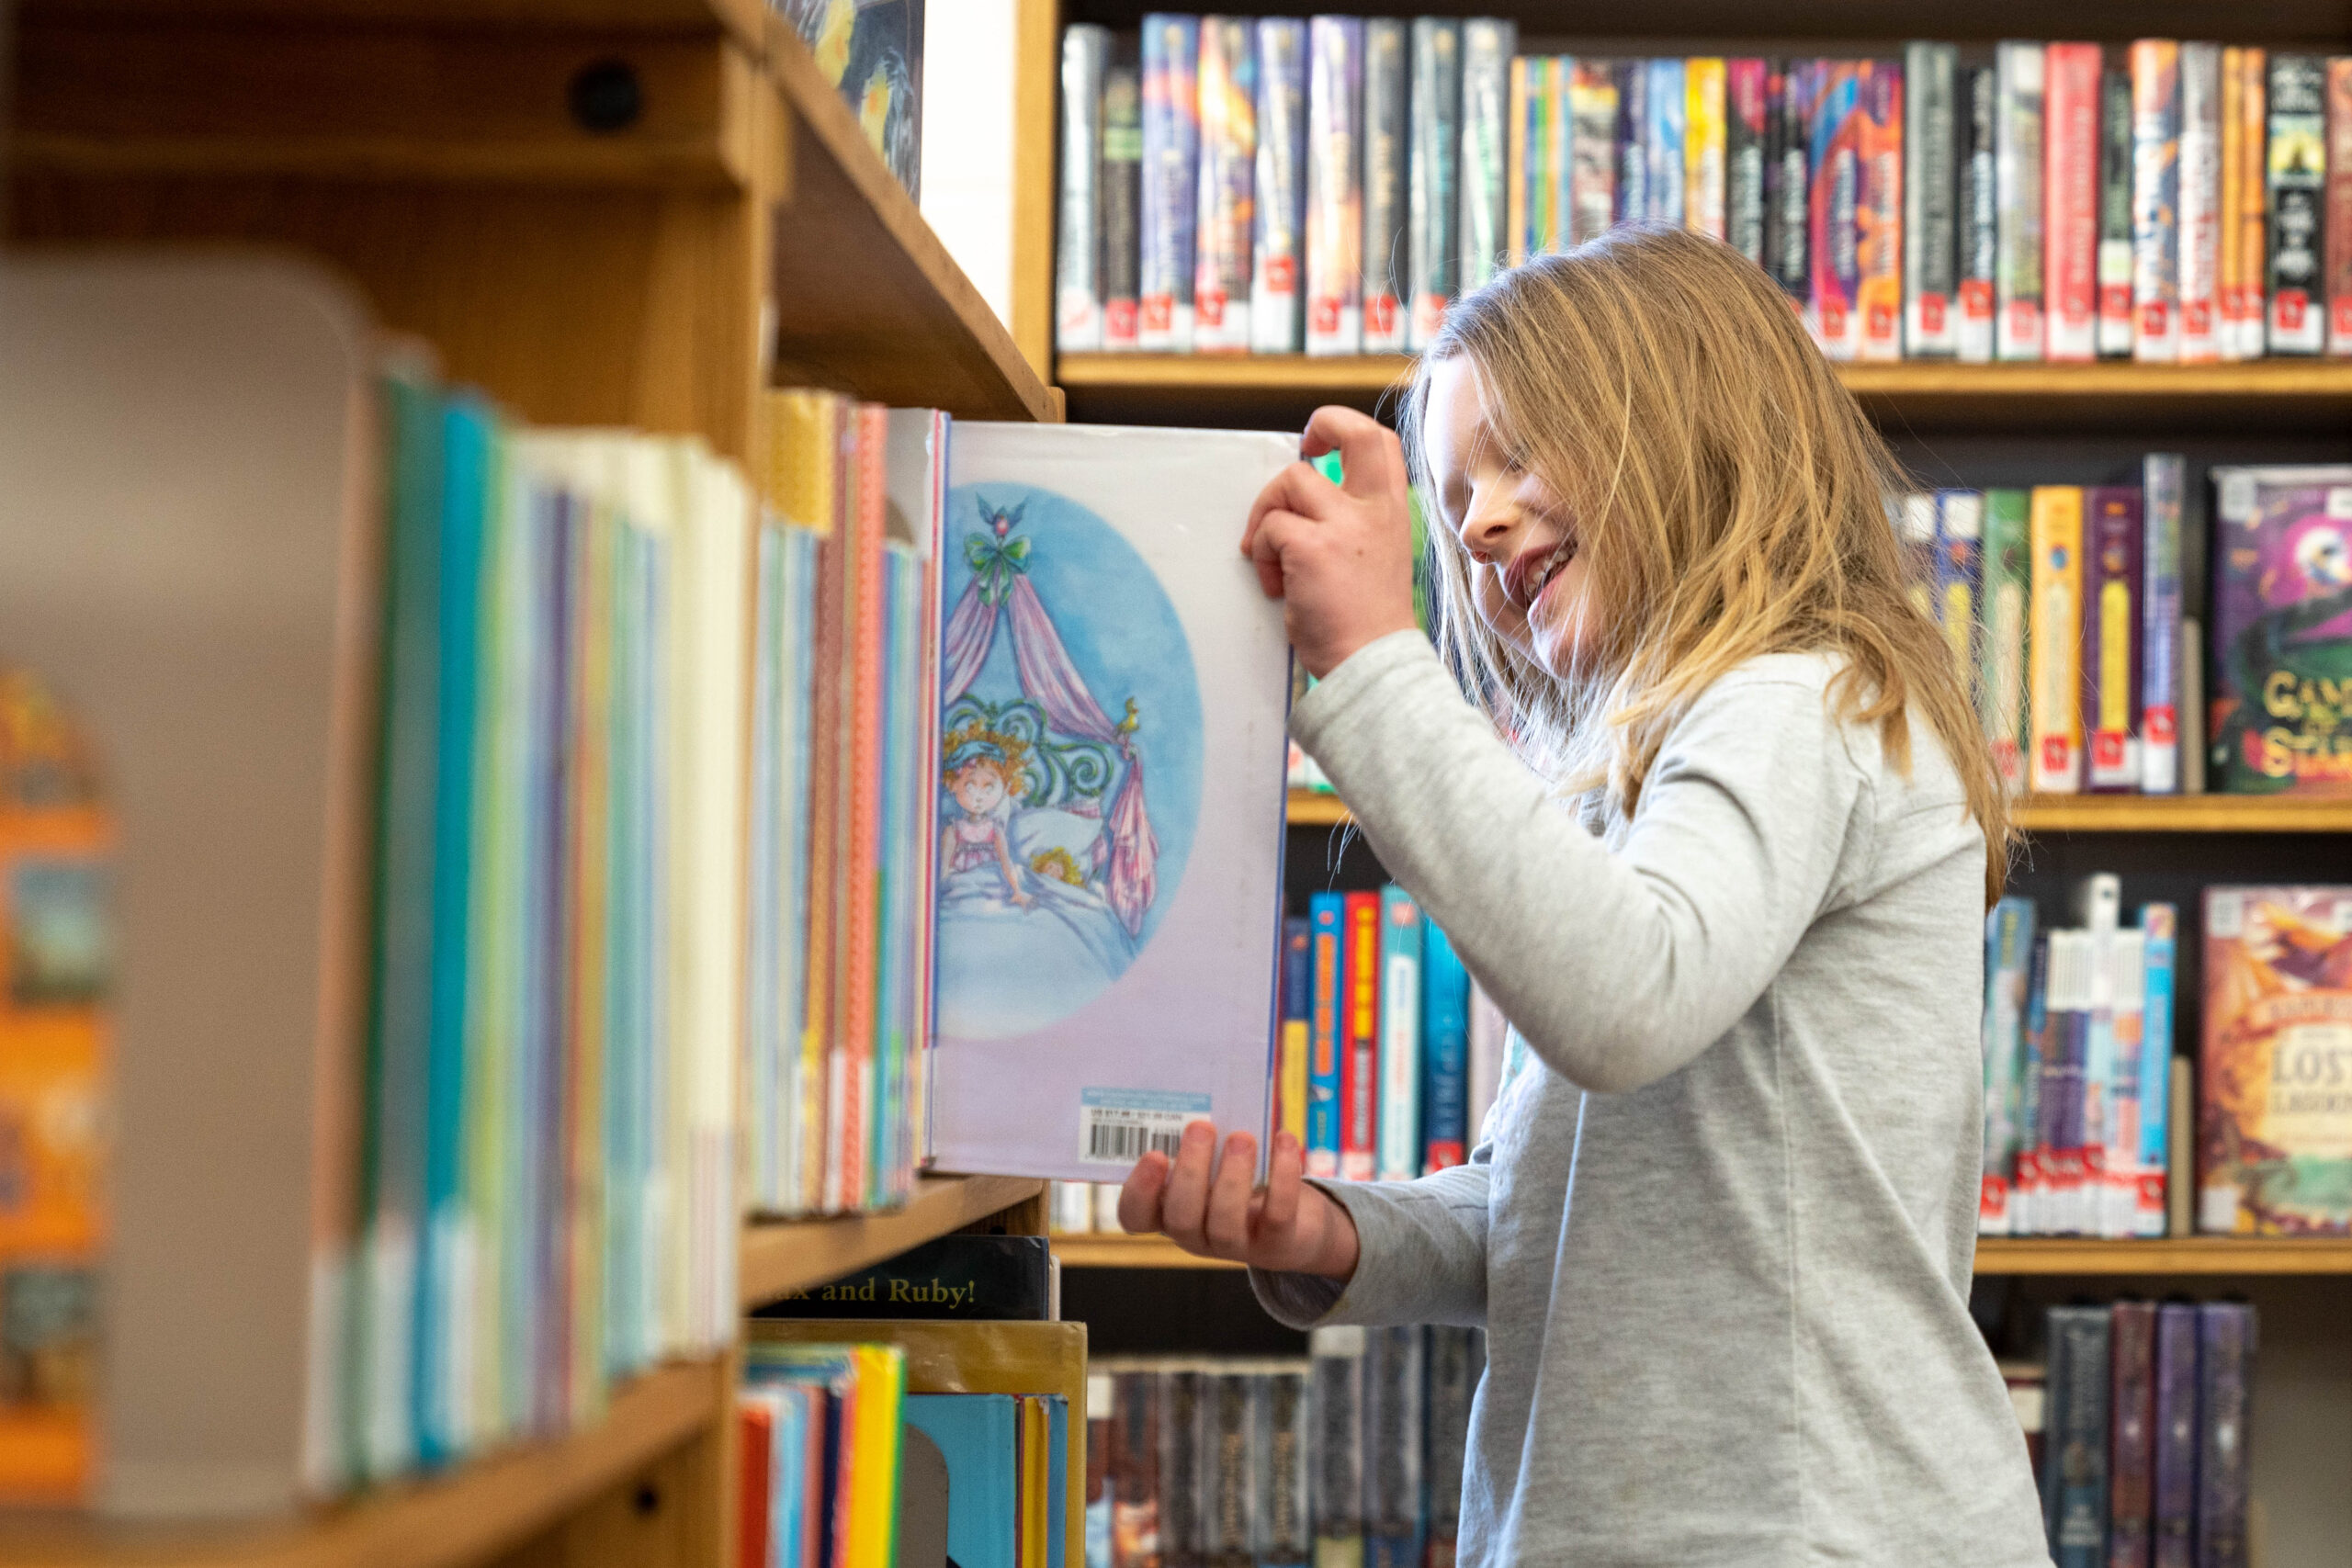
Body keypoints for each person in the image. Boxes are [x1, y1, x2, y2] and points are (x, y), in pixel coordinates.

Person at [1117, 227, 2052, 1565]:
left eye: (1521, 455)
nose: (1480, 520)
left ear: (1692, 428)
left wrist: (1375, 663)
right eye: (1456, 496)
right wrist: (1331, 1231)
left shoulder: (1801, 699)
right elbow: (1551, 1210)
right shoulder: (1643, 779)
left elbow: (1623, 1000)